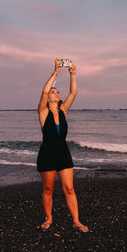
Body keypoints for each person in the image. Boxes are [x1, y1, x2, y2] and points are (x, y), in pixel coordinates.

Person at [36, 58, 89, 233]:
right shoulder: (43, 112)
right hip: (47, 153)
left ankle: (76, 221)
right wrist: (56, 72)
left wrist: (73, 74)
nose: (55, 92)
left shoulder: (63, 110)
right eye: (53, 91)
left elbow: (73, 93)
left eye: (57, 91)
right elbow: (44, 92)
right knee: (48, 188)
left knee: (69, 188)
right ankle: (49, 218)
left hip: (63, 152)